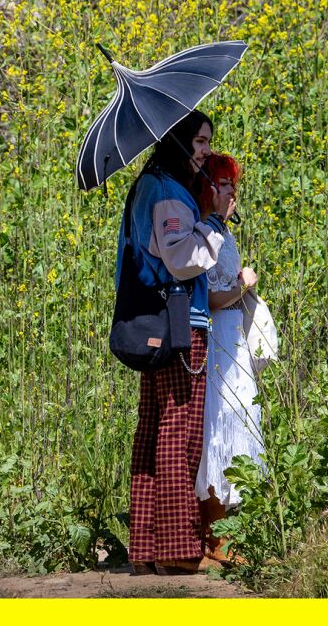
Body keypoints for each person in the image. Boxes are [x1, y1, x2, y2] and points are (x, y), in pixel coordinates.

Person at [118, 109, 234, 576]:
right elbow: (184, 258)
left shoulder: (150, 184)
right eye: (201, 141)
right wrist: (217, 223)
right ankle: (177, 547)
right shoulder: (167, 191)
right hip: (180, 321)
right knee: (178, 431)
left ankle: (145, 548)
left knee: (152, 429)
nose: (206, 151)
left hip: (153, 321)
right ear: (180, 141)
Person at [191, 152, 279, 564]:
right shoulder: (207, 234)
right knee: (220, 425)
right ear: (210, 189)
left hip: (233, 338)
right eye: (225, 186)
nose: (232, 195)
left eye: (234, 187)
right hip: (219, 337)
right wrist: (244, 285)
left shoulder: (224, 232)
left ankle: (232, 532)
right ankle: (214, 535)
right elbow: (210, 298)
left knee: (241, 421)